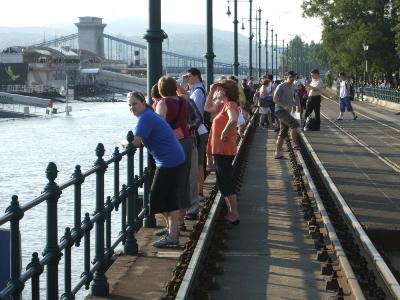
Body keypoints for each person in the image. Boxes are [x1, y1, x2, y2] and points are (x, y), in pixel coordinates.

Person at [127, 92, 184, 248]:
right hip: (173, 157)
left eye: (135, 103)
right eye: (130, 105)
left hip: (168, 161)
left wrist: (123, 142)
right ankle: (172, 232)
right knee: (169, 198)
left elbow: (136, 142)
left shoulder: (145, 118)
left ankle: (172, 234)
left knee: (156, 199)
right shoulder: (149, 114)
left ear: (143, 102)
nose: (132, 107)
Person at [155, 76, 193, 232]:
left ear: (160, 89)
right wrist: (177, 84)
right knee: (182, 184)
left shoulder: (162, 103)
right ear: (174, 87)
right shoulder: (183, 99)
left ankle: (172, 226)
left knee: (166, 186)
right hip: (186, 142)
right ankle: (180, 222)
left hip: (171, 146)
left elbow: (159, 126)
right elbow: (185, 93)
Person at [205, 79, 240, 225]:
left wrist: (224, 132)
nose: (217, 91)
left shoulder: (230, 105)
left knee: (225, 182)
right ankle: (231, 211)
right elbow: (207, 108)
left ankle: (234, 213)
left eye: (219, 89)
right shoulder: (223, 105)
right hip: (220, 150)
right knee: (223, 181)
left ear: (224, 91)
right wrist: (212, 90)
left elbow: (234, 119)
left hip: (224, 150)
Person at [183, 68, 209, 206]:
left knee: (198, 163)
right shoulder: (193, 90)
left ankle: (199, 192)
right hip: (199, 130)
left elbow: (196, 113)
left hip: (198, 131)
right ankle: (198, 191)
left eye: (189, 76)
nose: (187, 78)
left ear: (196, 76)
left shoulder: (198, 93)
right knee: (198, 163)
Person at [273, 71, 300, 159]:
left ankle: (277, 153)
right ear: (286, 77)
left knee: (283, 132)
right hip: (280, 111)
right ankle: (295, 144)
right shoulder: (281, 86)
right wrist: (283, 106)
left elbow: (290, 99)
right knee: (294, 124)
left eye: (294, 77)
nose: (292, 79)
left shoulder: (292, 87)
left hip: (287, 111)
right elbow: (275, 99)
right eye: (291, 77)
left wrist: (296, 105)